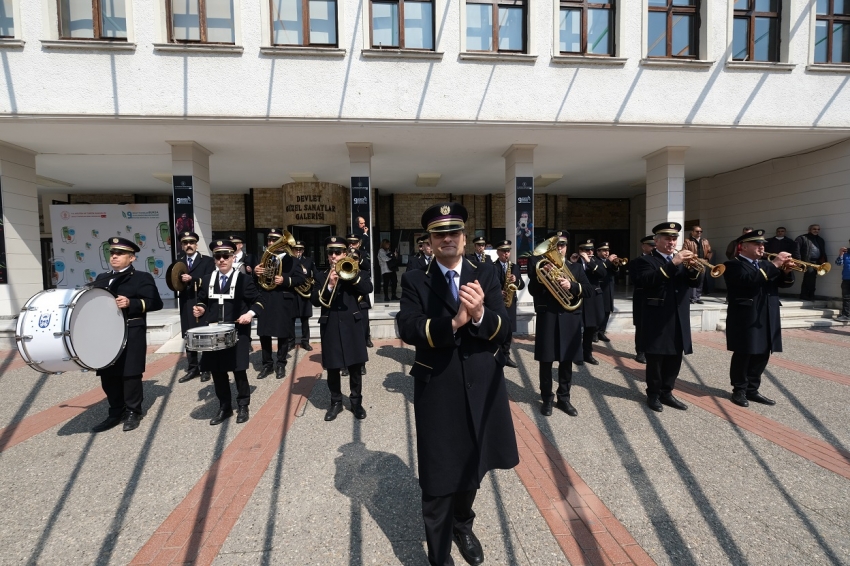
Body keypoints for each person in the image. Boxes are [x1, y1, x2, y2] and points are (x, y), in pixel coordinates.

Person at [397, 202, 518, 566]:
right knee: (437, 476)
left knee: (473, 463)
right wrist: (453, 323)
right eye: (439, 234)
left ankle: (463, 525)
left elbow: (505, 327)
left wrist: (480, 314)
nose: (447, 238)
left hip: (482, 385)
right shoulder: (415, 277)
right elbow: (408, 326)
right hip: (438, 388)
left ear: (464, 239)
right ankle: (439, 555)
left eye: (453, 232)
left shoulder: (486, 274)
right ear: (430, 242)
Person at [90, 237, 164, 433]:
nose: (114, 256)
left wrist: (132, 303)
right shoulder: (101, 278)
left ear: (131, 258)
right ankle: (115, 411)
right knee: (107, 373)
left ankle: (133, 411)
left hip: (131, 330)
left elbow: (156, 303)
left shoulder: (141, 277)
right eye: (112, 253)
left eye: (120, 253)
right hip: (106, 332)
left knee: (130, 374)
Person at [193, 240, 264, 425]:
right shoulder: (208, 279)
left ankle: (243, 405)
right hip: (214, 333)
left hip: (238, 332)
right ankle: (224, 406)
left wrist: (249, 314)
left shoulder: (244, 280)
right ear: (215, 259)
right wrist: (200, 309)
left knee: (239, 370)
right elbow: (202, 300)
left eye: (226, 256)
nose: (222, 260)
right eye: (218, 256)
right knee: (217, 371)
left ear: (233, 257)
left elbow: (259, 302)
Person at [634, 222, 703, 413]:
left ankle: (667, 392)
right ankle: (654, 394)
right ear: (656, 241)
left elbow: (694, 282)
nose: (672, 242)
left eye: (674, 239)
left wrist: (694, 269)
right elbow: (648, 281)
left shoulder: (680, 260)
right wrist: (674, 263)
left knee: (675, 357)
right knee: (656, 358)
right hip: (657, 316)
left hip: (679, 316)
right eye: (667, 238)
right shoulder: (646, 261)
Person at [723, 230, 795, 407]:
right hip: (746, 315)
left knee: (763, 351)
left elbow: (784, 284)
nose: (761, 247)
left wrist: (786, 271)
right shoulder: (732, 265)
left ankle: (752, 389)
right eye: (757, 244)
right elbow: (749, 280)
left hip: (767, 313)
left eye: (762, 244)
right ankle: (739, 389)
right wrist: (776, 264)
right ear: (743, 247)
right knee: (745, 351)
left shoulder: (765, 264)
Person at [528, 230, 590, 417]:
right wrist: (542, 278)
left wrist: (572, 286)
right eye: (556, 246)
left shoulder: (576, 268)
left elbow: (589, 291)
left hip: (569, 318)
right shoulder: (540, 265)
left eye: (562, 245)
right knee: (546, 360)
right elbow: (532, 290)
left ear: (566, 247)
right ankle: (547, 398)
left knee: (566, 360)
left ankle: (564, 398)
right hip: (548, 317)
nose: (559, 249)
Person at [312, 236, 373, 421]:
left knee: (355, 366)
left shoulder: (356, 271)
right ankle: (336, 402)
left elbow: (368, 287)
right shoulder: (322, 276)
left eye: (338, 252)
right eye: (330, 252)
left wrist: (351, 276)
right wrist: (330, 285)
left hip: (352, 324)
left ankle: (356, 403)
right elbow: (315, 300)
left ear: (345, 254)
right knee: (332, 366)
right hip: (330, 324)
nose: (333, 256)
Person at [254, 229, 305, 380]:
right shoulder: (262, 259)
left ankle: (281, 363)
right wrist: (254, 273)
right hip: (265, 299)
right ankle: (267, 364)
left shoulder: (293, 260)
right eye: (270, 240)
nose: (271, 243)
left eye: (275, 240)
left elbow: (300, 279)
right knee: (264, 333)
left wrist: (285, 280)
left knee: (283, 334)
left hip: (283, 300)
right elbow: (254, 282)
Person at [175, 232, 216, 384]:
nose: (188, 245)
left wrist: (193, 280)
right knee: (188, 336)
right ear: (182, 245)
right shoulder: (178, 262)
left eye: (191, 242)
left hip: (202, 301)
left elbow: (210, 280)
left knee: (203, 335)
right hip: (186, 302)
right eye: (185, 243)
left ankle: (206, 368)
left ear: (196, 244)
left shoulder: (206, 261)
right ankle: (193, 368)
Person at [494, 240, 525, 369]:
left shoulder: (515, 267)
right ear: (498, 252)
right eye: (504, 251)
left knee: (509, 331)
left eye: (508, 251)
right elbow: (487, 285)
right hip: (497, 303)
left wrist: (516, 280)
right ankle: (496, 354)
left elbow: (522, 285)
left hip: (510, 302)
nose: (506, 254)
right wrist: (497, 291)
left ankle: (506, 355)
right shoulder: (492, 266)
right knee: (498, 329)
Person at [574, 239, 605, 365]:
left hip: (592, 298)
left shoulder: (596, 262)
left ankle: (587, 353)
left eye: (591, 249)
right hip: (579, 296)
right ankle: (576, 354)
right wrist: (573, 263)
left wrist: (589, 261)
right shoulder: (574, 262)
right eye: (587, 250)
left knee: (590, 327)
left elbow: (602, 274)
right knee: (575, 327)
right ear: (581, 251)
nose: (590, 252)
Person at [629, 236, 656, 364]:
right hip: (641, 296)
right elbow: (636, 280)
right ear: (643, 246)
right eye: (650, 245)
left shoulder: (661, 261)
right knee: (641, 325)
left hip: (657, 297)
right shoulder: (636, 262)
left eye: (654, 245)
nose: (653, 247)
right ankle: (640, 351)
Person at [348, 233, 374, 351]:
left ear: (358, 243)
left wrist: (357, 257)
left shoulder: (363, 253)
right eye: (350, 242)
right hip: (350, 284)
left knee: (364, 320)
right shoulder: (344, 252)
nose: (351, 245)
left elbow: (367, 266)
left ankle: (367, 337)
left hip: (361, 283)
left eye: (354, 242)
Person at [595, 242, 620, 342]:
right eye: (604, 251)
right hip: (600, 288)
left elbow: (616, 274)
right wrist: (608, 262)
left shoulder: (608, 261)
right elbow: (599, 270)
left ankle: (602, 331)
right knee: (598, 312)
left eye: (608, 251)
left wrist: (616, 265)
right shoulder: (595, 260)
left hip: (609, 288)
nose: (607, 253)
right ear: (598, 252)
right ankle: (595, 332)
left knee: (607, 311)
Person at [292, 241, 315, 350]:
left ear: (303, 250)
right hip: (292, 293)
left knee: (305, 319)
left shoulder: (309, 261)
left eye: (300, 249)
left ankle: (305, 341)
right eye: (296, 249)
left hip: (305, 293)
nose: (298, 251)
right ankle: (290, 342)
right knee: (291, 319)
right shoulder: (290, 261)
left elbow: (315, 274)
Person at [795, 224, 828, 300]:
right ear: (809, 230)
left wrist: (824, 260)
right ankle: (807, 295)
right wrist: (798, 260)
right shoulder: (802, 238)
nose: (816, 230)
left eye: (818, 229)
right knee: (809, 277)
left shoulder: (821, 239)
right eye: (814, 229)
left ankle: (809, 294)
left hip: (817, 262)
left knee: (812, 278)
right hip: (807, 261)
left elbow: (823, 250)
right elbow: (796, 250)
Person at [682, 225, 713, 304]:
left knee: (700, 281)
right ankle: (692, 297)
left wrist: (707, 260)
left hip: (702, 263)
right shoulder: (687, 241)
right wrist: (692, 259)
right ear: (692, 232)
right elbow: (684, 251)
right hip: (692, 263)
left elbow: (710, 252)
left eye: (700, 231)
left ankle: (698, 297)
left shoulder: (705, 241)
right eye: (697, 231)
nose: (699, 233)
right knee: (693, 279)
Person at [836, 241, 850, 322]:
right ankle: (845, 315)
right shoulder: (845, 253)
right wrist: (840, 253)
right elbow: (838, 263)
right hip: (846, 279)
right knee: (846, 298)